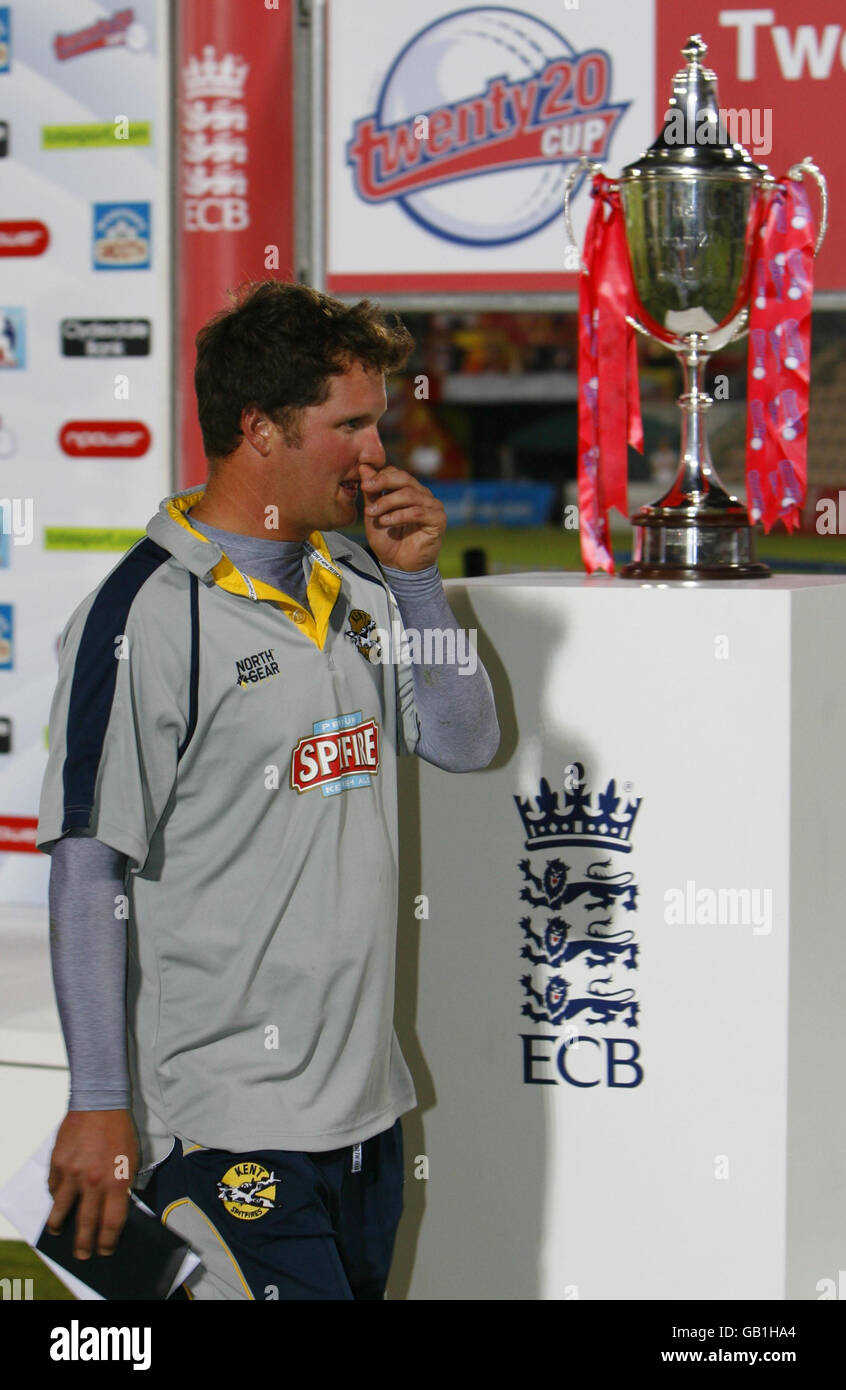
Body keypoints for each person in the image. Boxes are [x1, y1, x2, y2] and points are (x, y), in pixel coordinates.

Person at [36, 280, 500, 1300]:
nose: (378, 453)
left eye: (378, 422)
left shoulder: (365, 583)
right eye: (352, 425)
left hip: (367, 1121)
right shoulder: (141, 617)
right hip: (222, 1125)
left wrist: (420, 584)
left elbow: (467, 744)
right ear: (260, 429)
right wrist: (100, 1101)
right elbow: (86, 863)